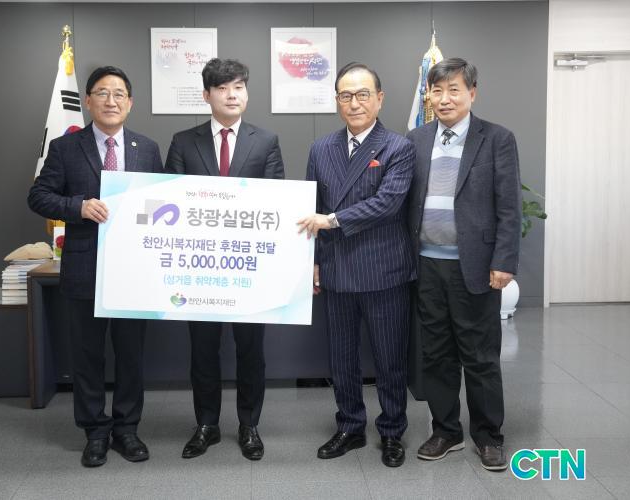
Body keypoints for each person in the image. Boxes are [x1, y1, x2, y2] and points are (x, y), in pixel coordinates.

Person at [28, 66, 163, 467]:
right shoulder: (66, 147)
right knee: (87, 356)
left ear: (130, 103)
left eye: (119, 94)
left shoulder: (147, 148)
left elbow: (162, 200)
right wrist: (79, 207)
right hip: (86, 267)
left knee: (130, 355)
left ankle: (127, 429)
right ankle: (95, 432)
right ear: (87, 101)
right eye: (102, 93)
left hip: (133, 269)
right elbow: (38, 196)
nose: (111, 100)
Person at [164, 58, 284, 461]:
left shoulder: (265, 141)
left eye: (239, 87)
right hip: (200, 269)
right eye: (222, 88)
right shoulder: (184, 142)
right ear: (206, 95)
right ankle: (206, 425)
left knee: (251, 350)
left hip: (247, 267)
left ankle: (249, 425)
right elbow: (170, 200)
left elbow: (276, 202)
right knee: (203, 350)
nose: (232, 95)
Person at [297, 62, 415, 468]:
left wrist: (332, 220)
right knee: (342, 359)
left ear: (379, 99)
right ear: (336, 101)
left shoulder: (398, 147)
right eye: (346, 95)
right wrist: (314, 261)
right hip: (337, 269)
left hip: (384, 270)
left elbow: (387, 204)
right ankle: (349, 426)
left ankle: (392, 430)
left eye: (363, 94)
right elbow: (310, 207)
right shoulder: (321, 148)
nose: (354, 103)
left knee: (389, 358)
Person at [407, 57, 521, 471]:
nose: (444, 98)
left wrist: (504, 260)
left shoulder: (497, 139)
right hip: (426, 265)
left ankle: (488, 436)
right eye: (437, 90)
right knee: (436, 354)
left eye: (454, 90)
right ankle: (446, 431)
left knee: (479, 355)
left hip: (474, 266)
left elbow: (508, 205)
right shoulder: (416, 139)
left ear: (472, 93)